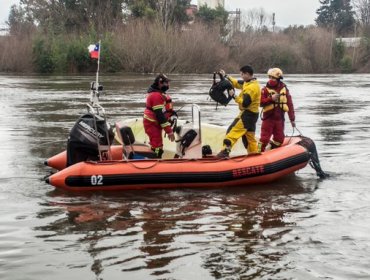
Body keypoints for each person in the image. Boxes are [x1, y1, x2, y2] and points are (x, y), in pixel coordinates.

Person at [217, 65, 261, 157]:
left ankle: (225, 151)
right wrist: (226, 76)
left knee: (231, 132)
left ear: (247, 74)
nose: (241, 76)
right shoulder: (249, 82)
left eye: (242, 74)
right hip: (253, 115)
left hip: (247, 115)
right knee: (249, 137)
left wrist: (234, 96)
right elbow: (236, 83)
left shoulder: (251, 88)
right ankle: (254, 154)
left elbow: (245, 103)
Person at [259, 68, 295, 152]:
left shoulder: (284, 89)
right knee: (264, 139)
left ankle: (271, 149)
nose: (271, 80)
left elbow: (290, 104)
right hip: (268, 118)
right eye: (270, 77)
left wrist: (292, 119)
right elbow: (260, 103)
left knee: (279, 139)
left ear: (278, 79)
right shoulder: (265, 90)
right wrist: (271, 99)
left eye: (273, 78)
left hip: (280, 119)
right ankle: (258, 152)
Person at [143, 74, 176, 158]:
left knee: (157, 143)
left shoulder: (159, 94)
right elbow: (160, 116)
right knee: (157, 145)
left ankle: (155, 158)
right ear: (160, 83)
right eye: (166, 83)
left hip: (154, 123)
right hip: (152, 124)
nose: (168, 85)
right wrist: (169, 131)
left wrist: (173, 115)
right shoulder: (156, 96)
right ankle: (155, 160)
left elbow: (164, 110)